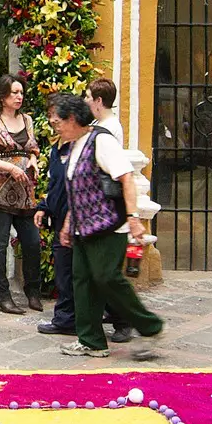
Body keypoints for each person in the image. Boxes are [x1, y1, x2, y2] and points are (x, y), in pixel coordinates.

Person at [46, 94, 163, 358]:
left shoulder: (102, 141)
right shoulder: (75, 145)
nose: (57, 127)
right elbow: (76, 190)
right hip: (83, 228)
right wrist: (67, 225)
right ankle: (91, 341)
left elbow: (127, 180)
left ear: (73, 119)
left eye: (59, 122)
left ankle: (150, 326)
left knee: (106, 278)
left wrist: (134, 219)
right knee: (83, 281)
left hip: (109, 226)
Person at [0, 75, 43, 316]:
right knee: (0, 243)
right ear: (2, 96)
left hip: (25, 192)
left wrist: (32, 161)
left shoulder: (27, 120)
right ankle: (1, 295)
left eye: (21, 92)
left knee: (32, 242)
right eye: (14, 92)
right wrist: (11, 167)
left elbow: (33, 148)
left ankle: (33, 290)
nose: (19, 96)